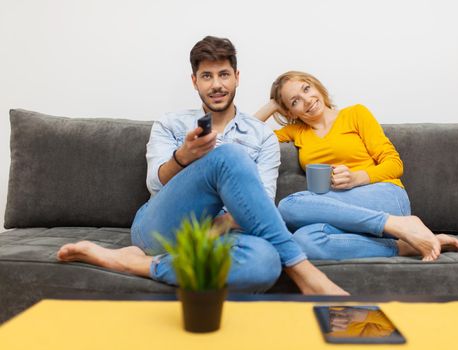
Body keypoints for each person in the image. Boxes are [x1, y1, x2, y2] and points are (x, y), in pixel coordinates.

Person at [57, 37, 347, 295]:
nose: (216, 84)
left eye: (223, 74)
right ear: (195, 81)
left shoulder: (262, 138)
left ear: (237, 77)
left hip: (226, 233)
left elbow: (261, 205)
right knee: (229, 156)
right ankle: (306, 272)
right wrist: (184, 156)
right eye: (206, 76)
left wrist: (218, 226)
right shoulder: (170, 123)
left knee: (265, 264)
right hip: (162, 226)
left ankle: (139, 263)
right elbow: (155, 184)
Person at [255, 71, 458, 261]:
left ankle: (399, 223)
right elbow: (249, 136)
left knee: (288, 205)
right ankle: (404, 245)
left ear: (317, 86)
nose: (307, 100)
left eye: (306, 89)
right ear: (290, 112)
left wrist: (356, 178)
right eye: (295, 101)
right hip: (344, 211)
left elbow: (395, 164)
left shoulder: (355, 114)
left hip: (385, 196)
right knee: (305, 241)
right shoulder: (296, 132)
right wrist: (273, 105)